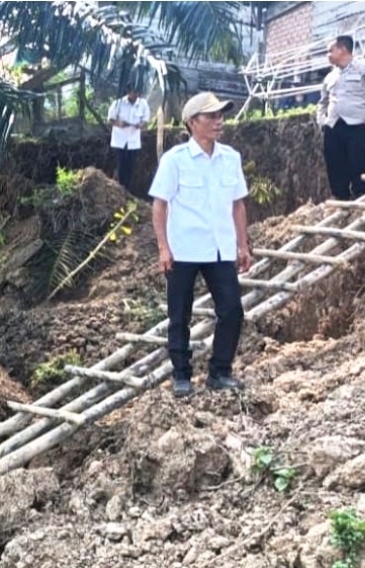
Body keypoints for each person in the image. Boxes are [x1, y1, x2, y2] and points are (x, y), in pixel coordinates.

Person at [148, 92, 252, 398]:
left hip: (220, 248)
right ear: (193, 123)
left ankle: (220, 371)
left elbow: (238, 205)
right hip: (184, 249)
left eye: (221, 116)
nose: (219, 122)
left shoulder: (230, 158)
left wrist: (242, 245)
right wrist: (163, 248)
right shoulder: (175, 160)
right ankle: (182, 375)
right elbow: (160, 205)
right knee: (180, 314)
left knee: (232, 310)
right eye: (211, 117)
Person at [316, 35, 365, 200]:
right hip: (333, 126)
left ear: (343, 49)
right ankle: (340, 197)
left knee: (359, 162)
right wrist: (322, 121)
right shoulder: (330, 76)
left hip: (356, 125)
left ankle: (362, 196)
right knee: (334, 163)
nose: (328, 55)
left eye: (330, 51)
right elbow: (322, 102)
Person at [108, 86, 151, 189]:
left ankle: (128, 188)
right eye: (133, 93)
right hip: (120, 140)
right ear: (128, 92)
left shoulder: (142, 104)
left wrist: (141, 124)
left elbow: (145, 119)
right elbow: (110, 119)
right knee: (121, 164)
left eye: (137, 93)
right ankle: (121, 187)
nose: (135, 95)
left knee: (131, 165)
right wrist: (120, 124)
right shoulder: (118, 103)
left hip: (133, 141)